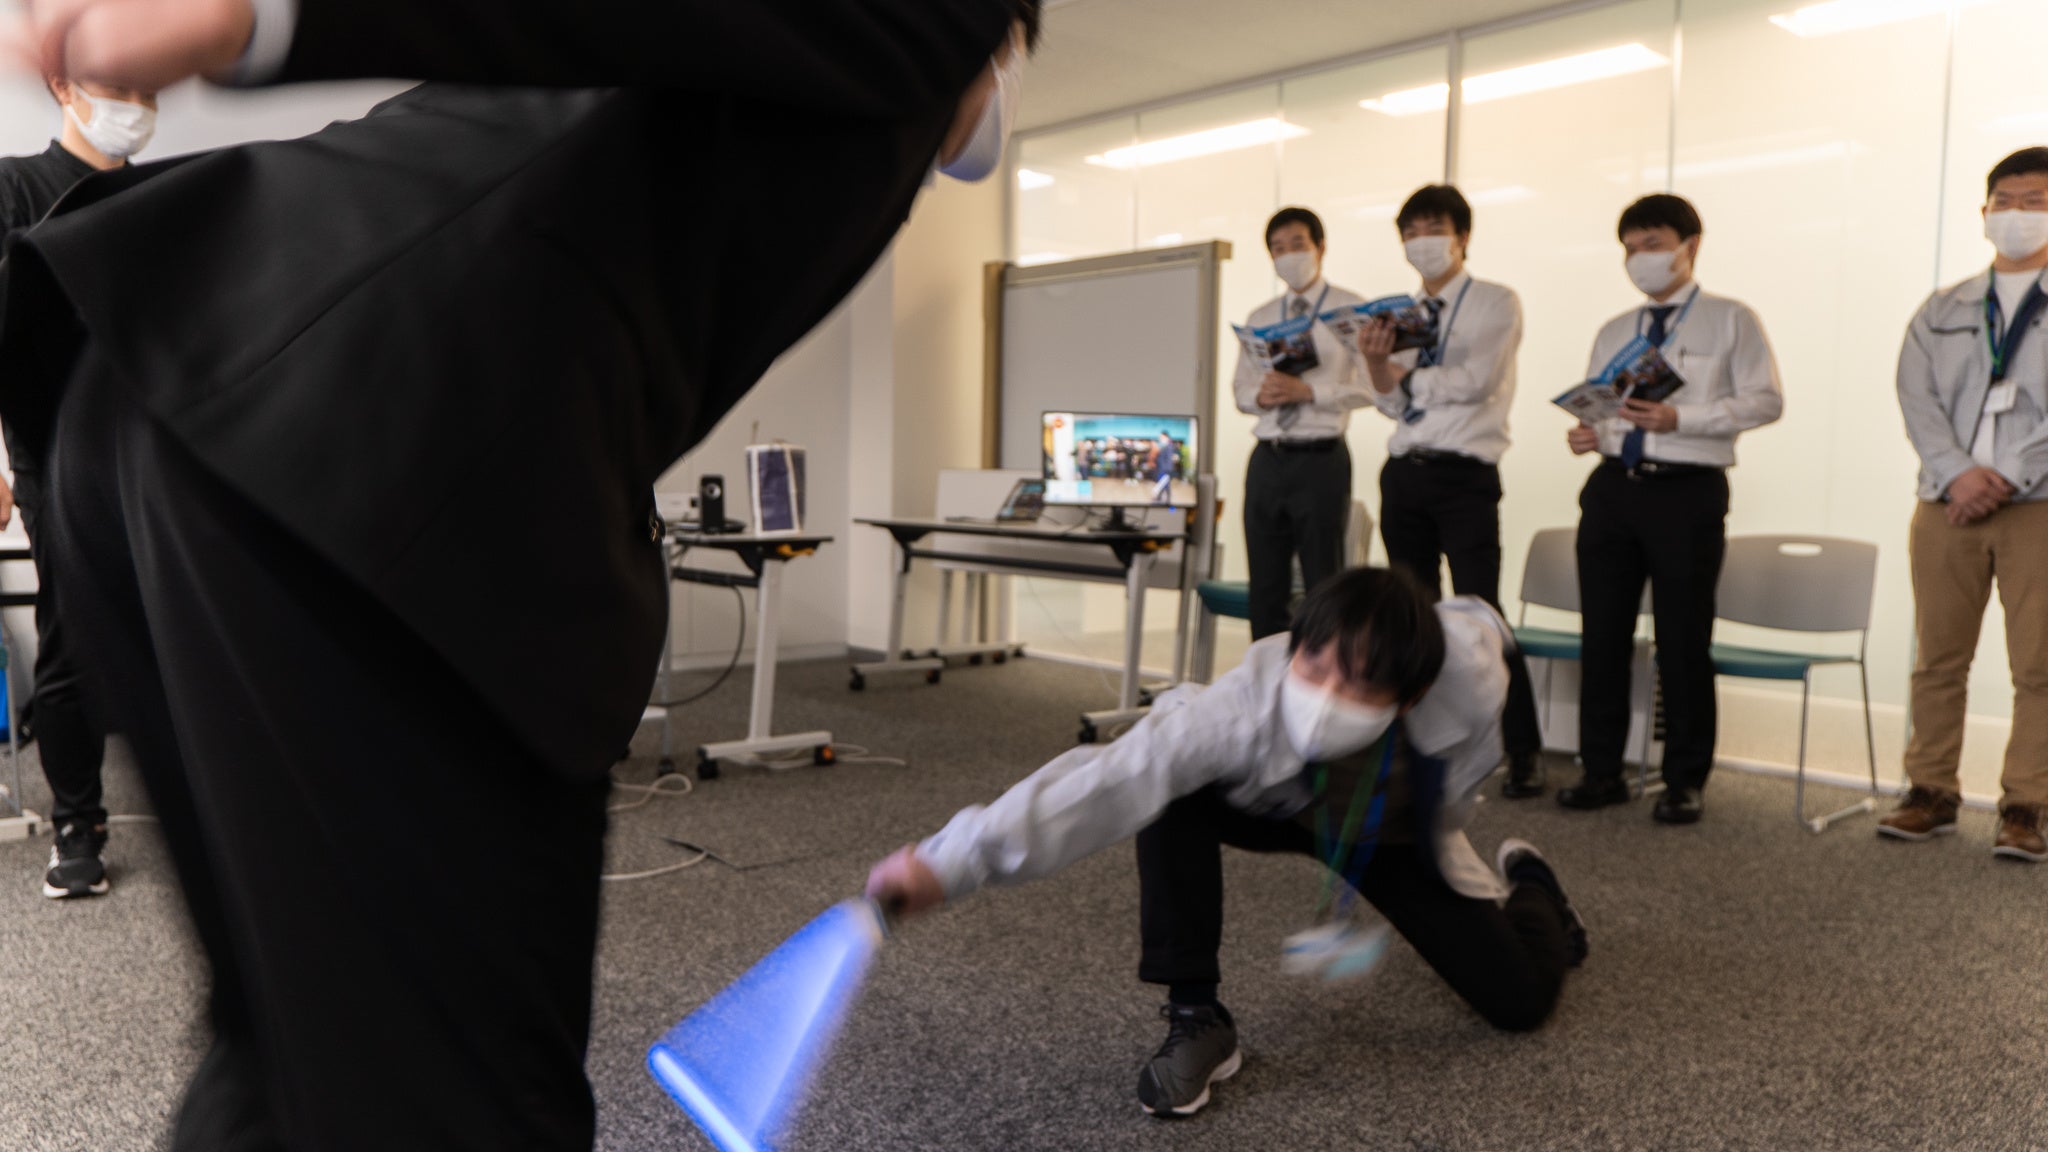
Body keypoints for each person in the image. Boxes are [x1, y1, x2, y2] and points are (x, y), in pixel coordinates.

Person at [2, 1, 1039, 1148]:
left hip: (159, 391)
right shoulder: (941, 25)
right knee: (469, 1098)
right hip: (363, 466)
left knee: (297, 1049)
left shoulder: (809, 87)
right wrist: (259, 17)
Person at [867, 566, 1588, 1118]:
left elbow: (1478, 625)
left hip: (1390, 834)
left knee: (1519, 1002)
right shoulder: (1234, 713)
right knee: (1169, 789)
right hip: (1268, 805)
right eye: (1314, 665)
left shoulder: (1463, 681)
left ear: (1410, 696)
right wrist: (951, 862)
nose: (1325, 695)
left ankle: (1533, 883)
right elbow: (1104, 781)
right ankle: (1197, 1016)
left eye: (1358, 683)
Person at [1556, 194, 1782, 825]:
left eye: (1652, 244)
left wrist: (1683, 417)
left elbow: (1766, 401)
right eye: (1630, 248)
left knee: (1683, 637)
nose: (1640, 258)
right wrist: (1589, 434)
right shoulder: (1615, 330)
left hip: (1686, 491)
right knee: (1602, 633)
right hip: (1612, 487)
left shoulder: (1730, 319)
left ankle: (1684, 778)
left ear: (1690, 246)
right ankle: (1601, 770)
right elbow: (1603, 407)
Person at [0, 72, 156, 900]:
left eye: (145, 85)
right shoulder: (15, 188)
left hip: (156, 447)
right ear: (63, 83)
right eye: (116, 83)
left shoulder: (163, 195)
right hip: (55, 449)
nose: (137, 99)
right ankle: (76, 821)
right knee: (72, 628)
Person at [1356, 184, 1547, 799]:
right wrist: (1378, 367)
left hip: (1465, 474)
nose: (1422, 242)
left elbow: (1476, 381)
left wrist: (1402, 375)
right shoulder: (1397, 316)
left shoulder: (1495, 301)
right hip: (1403, 471)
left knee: (1481, 611)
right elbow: (1389, 404)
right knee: (1411, 612)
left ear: (1462, 236)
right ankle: (1419, 739)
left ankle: (1522, 748)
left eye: (1433, 229)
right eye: (1410, 233)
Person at [1885, 147, 2048, 862]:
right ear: (1984, 213)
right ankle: (1930, 790)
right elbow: (1914, 396)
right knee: (1938, 658)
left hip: (2036, 504)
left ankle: (2026, 805)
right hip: (1945, 505)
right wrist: (1958, 475)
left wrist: (2004, 475)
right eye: (2004, 202)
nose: (2017, 215)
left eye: (2034, 201)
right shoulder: (1944, 308)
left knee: (2039, 664)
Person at [1232, 206, 1371, 640]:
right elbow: (1240, 390)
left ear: (1320, 247)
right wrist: (1262, 396)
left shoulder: (1351, 309)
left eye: (1297, 244)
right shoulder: (1261, 317)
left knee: (1323, 581)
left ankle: (1322, 672)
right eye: (1278, 248)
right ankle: (1266, 674)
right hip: (1268, 458)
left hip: (1320, 458)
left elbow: (1373, 388)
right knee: (1265, 584)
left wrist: (1310, 391)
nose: (1288, 255)